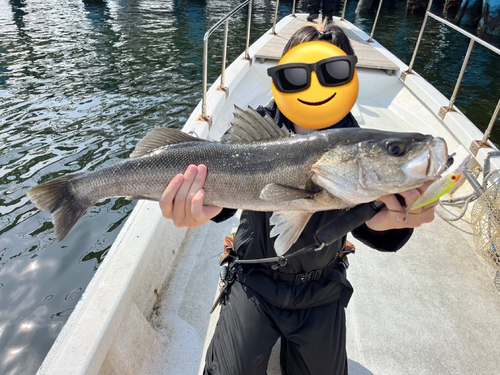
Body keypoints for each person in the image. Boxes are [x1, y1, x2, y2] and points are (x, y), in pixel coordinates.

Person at [160, 23, 437, 375]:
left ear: (351, 79)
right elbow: (223, 197)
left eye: (334, 73)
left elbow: (375, 224)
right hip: (253, 280)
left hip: (322, 287)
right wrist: (197, 209)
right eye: (294, 76)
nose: (314, 86)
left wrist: (387, 221)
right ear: (280, 81)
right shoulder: (256, 128)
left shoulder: (362, 147)